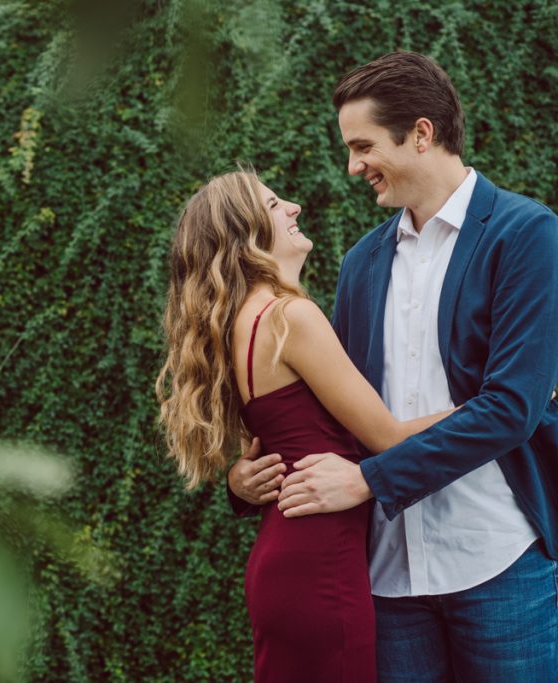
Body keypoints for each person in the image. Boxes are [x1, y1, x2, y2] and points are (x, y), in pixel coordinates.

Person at [232, 52, 558, 682]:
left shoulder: (525, 233)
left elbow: (513, 408)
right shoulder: (362, 262)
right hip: (387, 574)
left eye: (363, 147)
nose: (353, 166)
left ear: (421, 133)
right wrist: (249, 478)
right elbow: (335, 409)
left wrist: (371, 480)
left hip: (498, 562)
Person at [154, 169, 456, 682]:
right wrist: (503, 401)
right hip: (322, 568)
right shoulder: (288, 317)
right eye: (274, 205)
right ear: (246, 234)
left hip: (287, 560)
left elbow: (274, 442)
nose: (293, 206)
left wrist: (237, 482)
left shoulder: (240, 323)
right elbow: (387, 438)